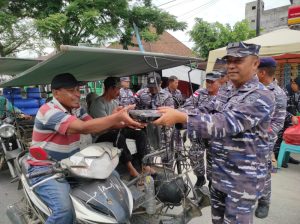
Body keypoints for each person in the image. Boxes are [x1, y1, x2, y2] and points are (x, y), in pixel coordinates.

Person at [154, 42, 275, 223]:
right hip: (220, 175)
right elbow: (206, 111)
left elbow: (226, 123)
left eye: (239, 60)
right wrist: (168, 114)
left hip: (241, 181)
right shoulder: (228, 92)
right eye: (229, 60)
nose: (232, 65)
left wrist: (181, 118)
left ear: (255, 63)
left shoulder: (261, 95)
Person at [28, 73, 143, 224]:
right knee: (64, 211)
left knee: (113, 176)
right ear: (56, 92)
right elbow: (82, 127)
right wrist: (116, 117)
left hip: (72, 163)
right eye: (71, 90)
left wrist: (126, 123)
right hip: (46, 169)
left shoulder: (77, 109)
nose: (77, 94)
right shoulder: (48, 111)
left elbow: (95, 127)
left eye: (78, 90)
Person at [89, 77, 150, 177]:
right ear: (110, 89)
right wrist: (127, 123)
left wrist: (133, 123)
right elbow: (106, 125)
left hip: (114, 130)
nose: (119, 92)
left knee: (140, 133)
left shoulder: (114, 103)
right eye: (117, 89)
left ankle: (145, 164)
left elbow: (120, 120)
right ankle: (130, 168)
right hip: (101, 134)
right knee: (118, 136)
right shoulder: (98, 104)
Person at [255, 57, 287, 218]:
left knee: (263, 172)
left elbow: (277, 123)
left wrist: (262, 138)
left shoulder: (278, 94)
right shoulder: (254, 89)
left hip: (264, 141)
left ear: (262, 72)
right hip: (248, 140)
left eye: (256, 70)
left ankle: (264, 202)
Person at [182, 71, 221, 188]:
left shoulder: (223, 96)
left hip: (214, 134)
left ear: (219, 82)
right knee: (194, 155)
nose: (209, 85)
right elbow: (187, 106)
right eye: (207, 82)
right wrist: (198, 115)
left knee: (213, 159)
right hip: (198, 132)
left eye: (212, 82)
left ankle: (212, 182)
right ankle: (200, 178)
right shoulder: (199, 93)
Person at [134, 72, 174, 166]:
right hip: (145, 130)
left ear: (160, 84)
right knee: (147, 154)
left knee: (166, 155)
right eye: (150, 86)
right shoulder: (140, 94)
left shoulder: (167, 96)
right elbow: (133, 109)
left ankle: (169, 172)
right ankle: (150, 173)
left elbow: (171, 114)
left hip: (163, 130)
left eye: (154, 87)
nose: (152, 89)